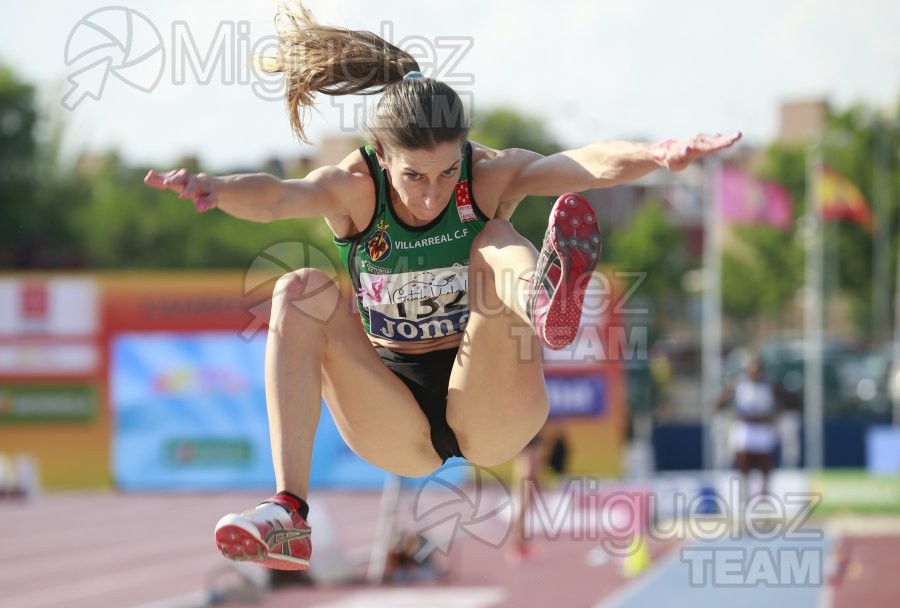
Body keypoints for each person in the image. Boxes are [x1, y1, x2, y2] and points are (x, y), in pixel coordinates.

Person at [145, 1, 740, 571]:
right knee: (298, 289)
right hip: (394, 414)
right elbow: (278, 196)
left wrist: (659, 154)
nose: (432, 194)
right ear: (381, 157)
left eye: (446, 172)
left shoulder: (486, 176)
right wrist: (217, 189)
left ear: (464, 153)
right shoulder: (354, 187)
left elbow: (583, 164)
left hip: (492, 400)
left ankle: (543, 299)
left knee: (492, 238)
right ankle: (288, 512)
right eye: (414, 177)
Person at [718, 354, 779, 511]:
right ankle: (744, 501)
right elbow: (724, 402)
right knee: (743, 465)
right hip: (746, 429)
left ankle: (764, 501)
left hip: (762, 430)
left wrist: (770, 416)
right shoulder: (738, 385)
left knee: (765, 466)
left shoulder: (769, 385)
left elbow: (778, 406)